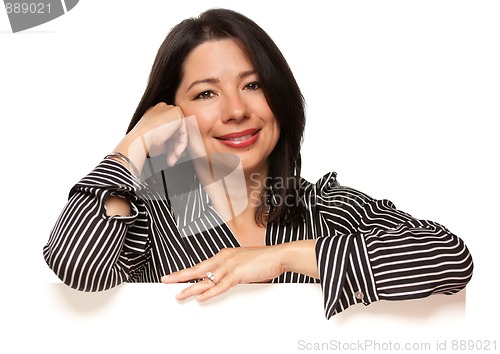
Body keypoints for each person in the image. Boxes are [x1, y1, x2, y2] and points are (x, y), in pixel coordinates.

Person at [43, 8, 473, 319]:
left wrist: (282, 257)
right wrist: (134, 144)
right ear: (173, 113)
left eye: (252, 85)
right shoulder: (149, 217)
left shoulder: (324, 209)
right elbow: (79, 266)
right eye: (206, 94)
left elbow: (451, 259)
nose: (235, 111)